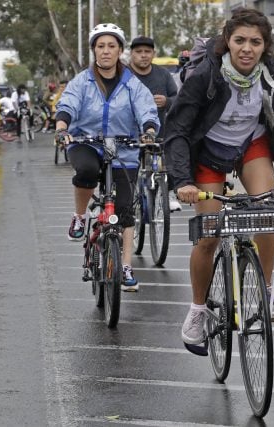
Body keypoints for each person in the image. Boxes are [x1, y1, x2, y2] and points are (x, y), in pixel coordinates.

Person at [163, 8, 274, 347]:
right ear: (227, 41)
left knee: (268, 211)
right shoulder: (206, 76)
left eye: (255, 42)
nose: (247, 48)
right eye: (239, 40)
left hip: (250, 145)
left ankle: (266, 293)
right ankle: (198, 310)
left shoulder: (273, 77)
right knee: (209, 236)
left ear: (265, 46)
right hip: (209, 151)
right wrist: (182, 182)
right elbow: (178, 131)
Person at [55, 23, 159, 291]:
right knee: (87, 172)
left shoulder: (132, 84)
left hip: (123, 147)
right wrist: (62, 128)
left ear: (120, 51)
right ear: (93, 50)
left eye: (111, 46)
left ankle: (125, 266)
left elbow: (146, 109)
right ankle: (79, 216)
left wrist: (148, 130)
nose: (105, 51)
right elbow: (67, 105)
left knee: (124, 211)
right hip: (85, 141)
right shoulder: (82, 81)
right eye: (100, 46)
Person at [128, 35, 182, 212]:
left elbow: (179, 99)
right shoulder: (124, 74)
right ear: (131, 54)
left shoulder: (163, 74)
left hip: (159, 133)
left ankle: (170, 193)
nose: (143, 55)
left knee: (170, 156)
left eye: (147, 51)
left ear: (153, 54)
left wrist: (166, 101)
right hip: (130, 133)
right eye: (138, 52)